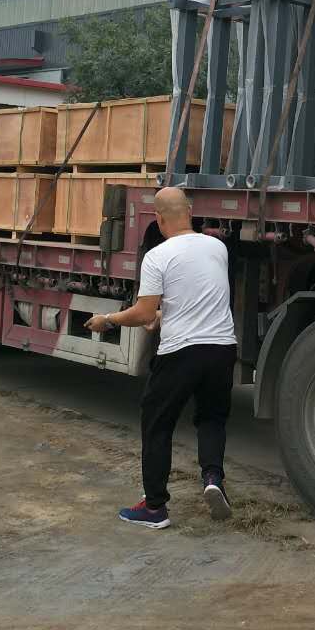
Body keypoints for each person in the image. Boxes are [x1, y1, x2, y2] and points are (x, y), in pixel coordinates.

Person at [85, 186, 237, 529]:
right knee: (212, 417)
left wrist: (108, 319)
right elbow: (198, 296)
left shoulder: (157, 256)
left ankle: (154, 508)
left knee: (157, 422)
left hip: (181, 351)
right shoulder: (217, 248)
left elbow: (142, 313)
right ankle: (213, 478)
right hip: (222, 348)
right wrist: (162, 315)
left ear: (158, 218)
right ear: (190, 213)